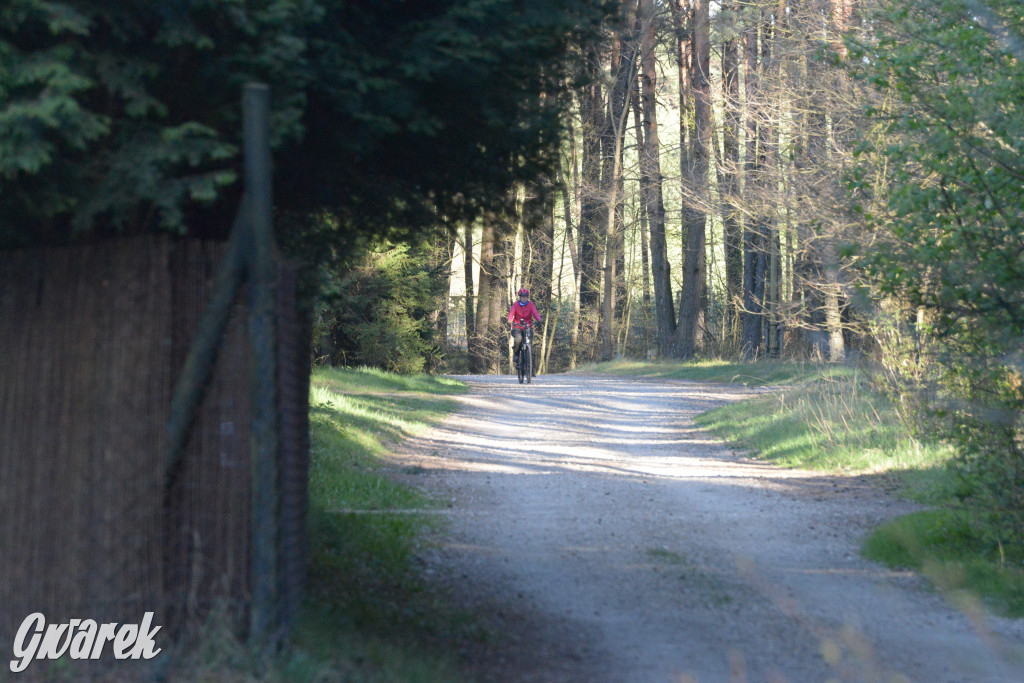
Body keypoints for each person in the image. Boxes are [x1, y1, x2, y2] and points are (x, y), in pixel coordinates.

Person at [508, 288, 541, 370]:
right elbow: (511, 314)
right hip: (517, 327)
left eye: (525, 296)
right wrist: (510, 320)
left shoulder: (530, 304)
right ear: (520, 297)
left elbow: (535, 313)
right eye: (522, 296)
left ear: (527, 297)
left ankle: (530, 368)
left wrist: (539, 319)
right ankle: (516, 354)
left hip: (527, 327)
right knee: (518, 339)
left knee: (529, 344)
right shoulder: (515, 305)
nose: (524, 298)